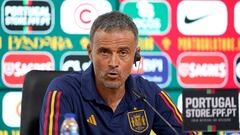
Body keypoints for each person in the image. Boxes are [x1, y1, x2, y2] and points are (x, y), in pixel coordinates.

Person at [40, 11, 194, 135]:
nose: (113, 63)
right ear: (90, 52)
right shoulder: (63, 91)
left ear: (136, 55)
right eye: (104, 52)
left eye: (123, 53)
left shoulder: (149, 94)